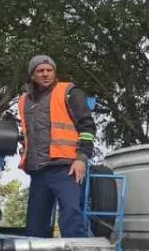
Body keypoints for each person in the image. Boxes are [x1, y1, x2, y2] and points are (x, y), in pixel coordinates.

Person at [16, 54, 98, 239]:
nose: (45, 74)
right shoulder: (24, 102)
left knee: (70, 217)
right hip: (38, 170)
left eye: (49, 70)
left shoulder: (69, 92)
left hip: (66, 168)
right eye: (40, 71)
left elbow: (87, 127)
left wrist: (82, 159)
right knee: (35, 227)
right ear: (32, 76)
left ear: (54, 72)